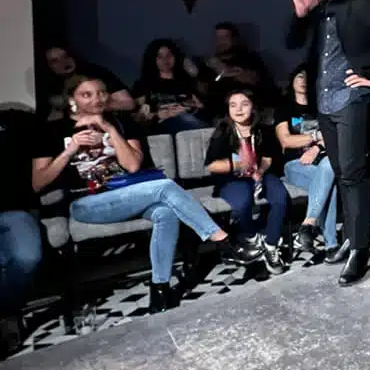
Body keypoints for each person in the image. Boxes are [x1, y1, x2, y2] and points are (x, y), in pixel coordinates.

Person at [31, 75, 262, 313]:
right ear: (72, 100)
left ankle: (159, 290)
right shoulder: (52, 131)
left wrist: (109, 128)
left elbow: (132, 166)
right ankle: (224, 242)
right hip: (87, 203)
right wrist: (70, 150)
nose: (97, 99)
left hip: (131, 194)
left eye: (101, 93)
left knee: (165, 214)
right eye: (86, 95)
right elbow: (38, 183)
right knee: (164, 186)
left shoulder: (121, 123)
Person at [286, 0, 370, 285]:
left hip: (353, 97)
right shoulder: (315, 10)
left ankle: (360, 248)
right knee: (343, 170)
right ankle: (351, 237)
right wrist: (300, 13)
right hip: (325, 103)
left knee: (353, 172)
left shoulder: (363, 1)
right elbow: (291, 43)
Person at [205, 89, 289, 275]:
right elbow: (211, 165)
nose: (239, 109)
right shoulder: (222, 132)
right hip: (232, 178)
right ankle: (252, 239)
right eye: (233, 105)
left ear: (253, 107)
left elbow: (268, 158)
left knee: (281, 198)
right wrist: (237, 165)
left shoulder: (264, 130)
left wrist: (259, 171)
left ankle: (271, 244)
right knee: (243, 201)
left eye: (244, 104)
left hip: (260, 175)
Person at [274, 66, 345, 263]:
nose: (303, 80)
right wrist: (316, 137)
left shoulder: (321, 106)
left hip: (320, 161)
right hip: (294, 164)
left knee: (328, 167)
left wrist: (316, 148)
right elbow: (286, 141)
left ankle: (308, 224)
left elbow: (334, 135)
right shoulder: (284, 108)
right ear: (292, 80)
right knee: (328, 182)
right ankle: (331, 245)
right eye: (299, 76)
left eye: (307, 77)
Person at [0, 109, 43, 358]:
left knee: (27, 257)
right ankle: (7, 317)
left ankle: (7, 309)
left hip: (15, 209)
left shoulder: (14, 120)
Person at [40, 46, 134, 121]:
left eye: (66, 56)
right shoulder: (46, 87)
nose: (64, 62)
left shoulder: (96, 73)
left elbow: (128, 104)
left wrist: (99, 105)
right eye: (55, 61)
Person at [133, 38, 206, 134]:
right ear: (153, 59)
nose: (165, 60)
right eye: (160, 57)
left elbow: (201, 105)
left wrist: (193, 107)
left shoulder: (187, 82)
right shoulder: (143, 84)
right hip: (161, 125)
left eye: (169, 55)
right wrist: (159, 115)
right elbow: (136, 116)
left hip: (188, 119)